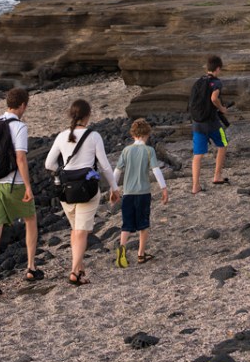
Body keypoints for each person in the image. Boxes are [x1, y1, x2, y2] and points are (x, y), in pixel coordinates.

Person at [45, 98, 118, 285]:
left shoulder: (62, 136)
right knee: (81, 232)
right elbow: (105, 166)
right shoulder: (94, 136)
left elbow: (49, 164)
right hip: (87, 189)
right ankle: (74, 272)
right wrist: (114, 186)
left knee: (75, 230)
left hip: (66, 190)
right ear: (87, 115)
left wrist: (60, 173)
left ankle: (79, 269)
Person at [0, 87, 42, 299]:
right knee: (30, 219)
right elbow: (21, 159)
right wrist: (28, 186)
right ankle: (31, 267)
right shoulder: (19, 126)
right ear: (23, 105)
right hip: (12, 184)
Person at [113, 118, 168, 267]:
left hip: (128, 193)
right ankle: (141, 255)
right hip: (143, 193)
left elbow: (117, 171)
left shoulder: (126, 150)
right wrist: (164, 188)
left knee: (127, 225)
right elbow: (156, 170)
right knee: (143, 225)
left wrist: (114, 189)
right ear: (147, 135)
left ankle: (122, 251)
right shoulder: (148, 150)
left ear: (133, 135)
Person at [191, 55, 230, 195]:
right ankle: (217, 176)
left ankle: (195, 186)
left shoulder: (198, 82)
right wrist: (222, 109)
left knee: (198, 154)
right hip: (212, 123)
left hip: (197, 123)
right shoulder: (216, 83)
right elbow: (214, 98)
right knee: (223, 144)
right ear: (218, 68)